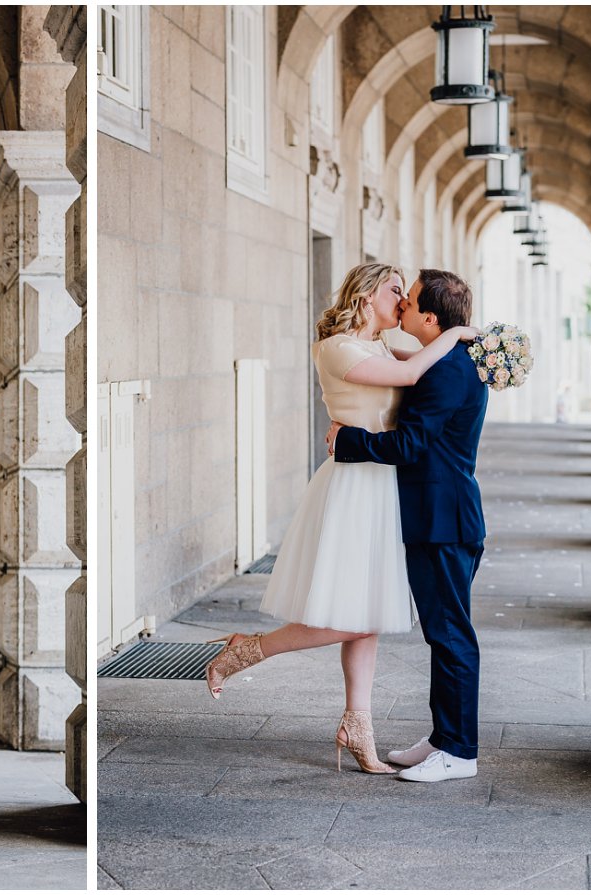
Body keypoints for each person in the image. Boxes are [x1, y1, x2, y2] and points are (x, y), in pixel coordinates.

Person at [205, 262, 477, 775]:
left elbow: (424, 361)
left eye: (407, 294)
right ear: (367, 292)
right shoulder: (338, 348)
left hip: (383, 485)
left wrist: (466, 346)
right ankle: (248, 650)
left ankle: (358, 725)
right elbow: (414, 373)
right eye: (396, 290)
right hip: (354, 484)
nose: (402, 301)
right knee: (352, 615)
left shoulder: (378, 345)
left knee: (367, 616)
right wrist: (462, 333)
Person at [327, 269, 489, 783]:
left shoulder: (444, 371)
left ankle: (459, 752)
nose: (402, 305)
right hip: (439, 517)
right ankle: (444, 738)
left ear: (430, 318)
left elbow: (409, 446)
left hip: (444, 520)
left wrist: (346, 442)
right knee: (444, 633)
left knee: (451, 635)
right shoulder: (445, 361)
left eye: (410, 298)